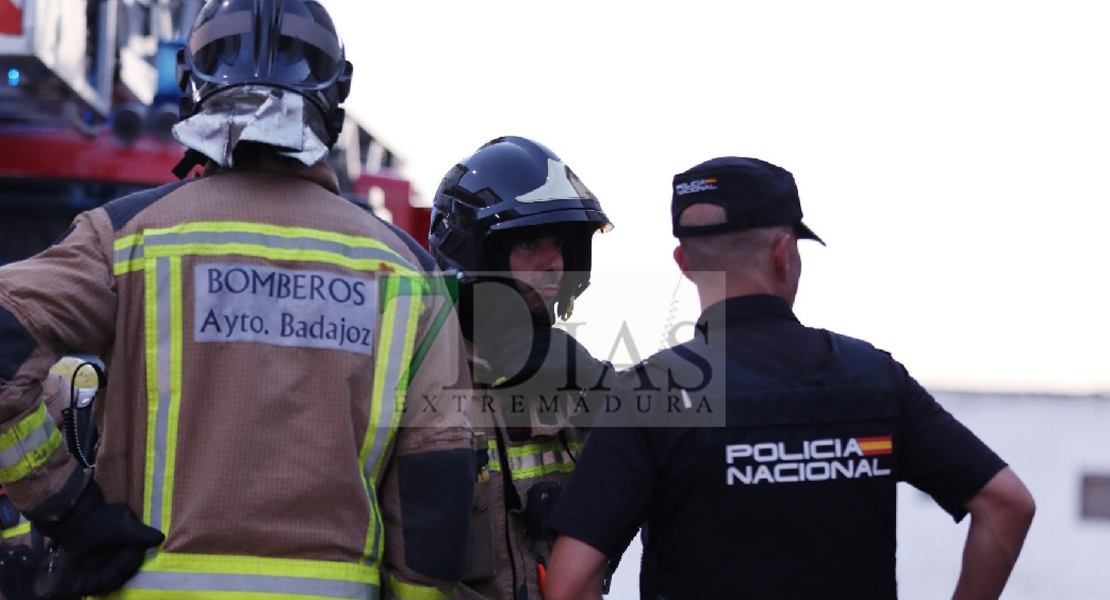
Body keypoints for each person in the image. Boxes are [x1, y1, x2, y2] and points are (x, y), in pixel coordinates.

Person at [0, 1, 474, 598]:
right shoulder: (411, 272)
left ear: (190, 82)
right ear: (338, 91)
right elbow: (437, 483)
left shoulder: (126, 237)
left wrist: (70, 510)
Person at [543, 156, 1036, 600]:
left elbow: (569, 584)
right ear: (784, 252)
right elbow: (1006, 504)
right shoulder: (874, 379)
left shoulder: (652, 394)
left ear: (685, 264)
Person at [428, 136, 618, 600]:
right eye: (531, 243)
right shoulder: (417, 375)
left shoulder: (573, 378)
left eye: (564, 246)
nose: (556, 265)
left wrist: (602, 391)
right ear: (476, 255)